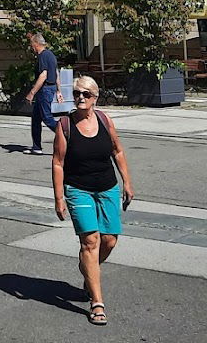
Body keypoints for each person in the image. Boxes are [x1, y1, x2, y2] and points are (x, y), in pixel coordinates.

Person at [52, 75, 133, 327]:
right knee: (91, 241)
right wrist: (58, 198)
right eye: (77, 93)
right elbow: (57, 162)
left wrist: (127, 182)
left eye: (86, 94)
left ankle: (88, 269)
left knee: (109, 240)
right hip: (78, 189)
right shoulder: (65, 125)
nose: (80, 98)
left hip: (107, 187)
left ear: (95, 97)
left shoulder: (105, 120)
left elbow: (117, 151)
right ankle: (97, 302)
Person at [24, 32, 63, 155]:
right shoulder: (51, 55)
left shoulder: (42, 56)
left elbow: (43, 75)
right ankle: (36, 147)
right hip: (50, 88)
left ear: (36, 44)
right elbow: (56, 73)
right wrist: (58, 91)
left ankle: (67, 134)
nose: (31, 47)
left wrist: (32, 92)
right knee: (36, 119)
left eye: (32, 44)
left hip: (44, 90)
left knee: (47, 118)